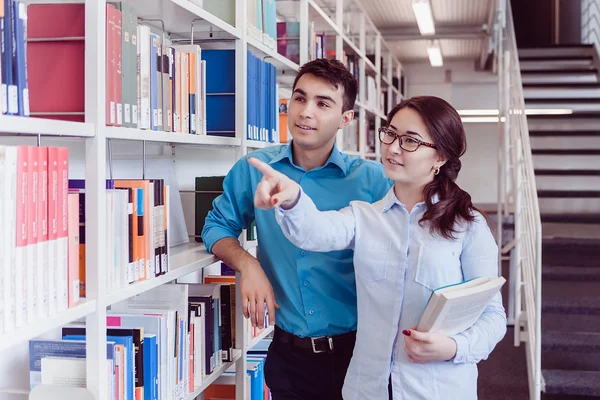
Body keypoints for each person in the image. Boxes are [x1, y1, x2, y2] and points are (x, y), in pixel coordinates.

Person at [248, 95, 508, 399]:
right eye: (391, 134)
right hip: (367, 389)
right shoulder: (364, 216)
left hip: (436, 388)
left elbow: (493, 317)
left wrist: (453, 348)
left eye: (411, 141)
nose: (394, 148)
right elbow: (315, 232)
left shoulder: (468, 226)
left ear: (440, 157)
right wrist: (292, 198)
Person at [202, 58, 392, 399]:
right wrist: (248, 264)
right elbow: (216, 226)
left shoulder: (372, 180)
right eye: (300, 98)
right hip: (289, 356)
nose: (306, 111)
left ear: (346, 118)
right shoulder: (255, 169)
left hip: (361, 352)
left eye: (323, 103)